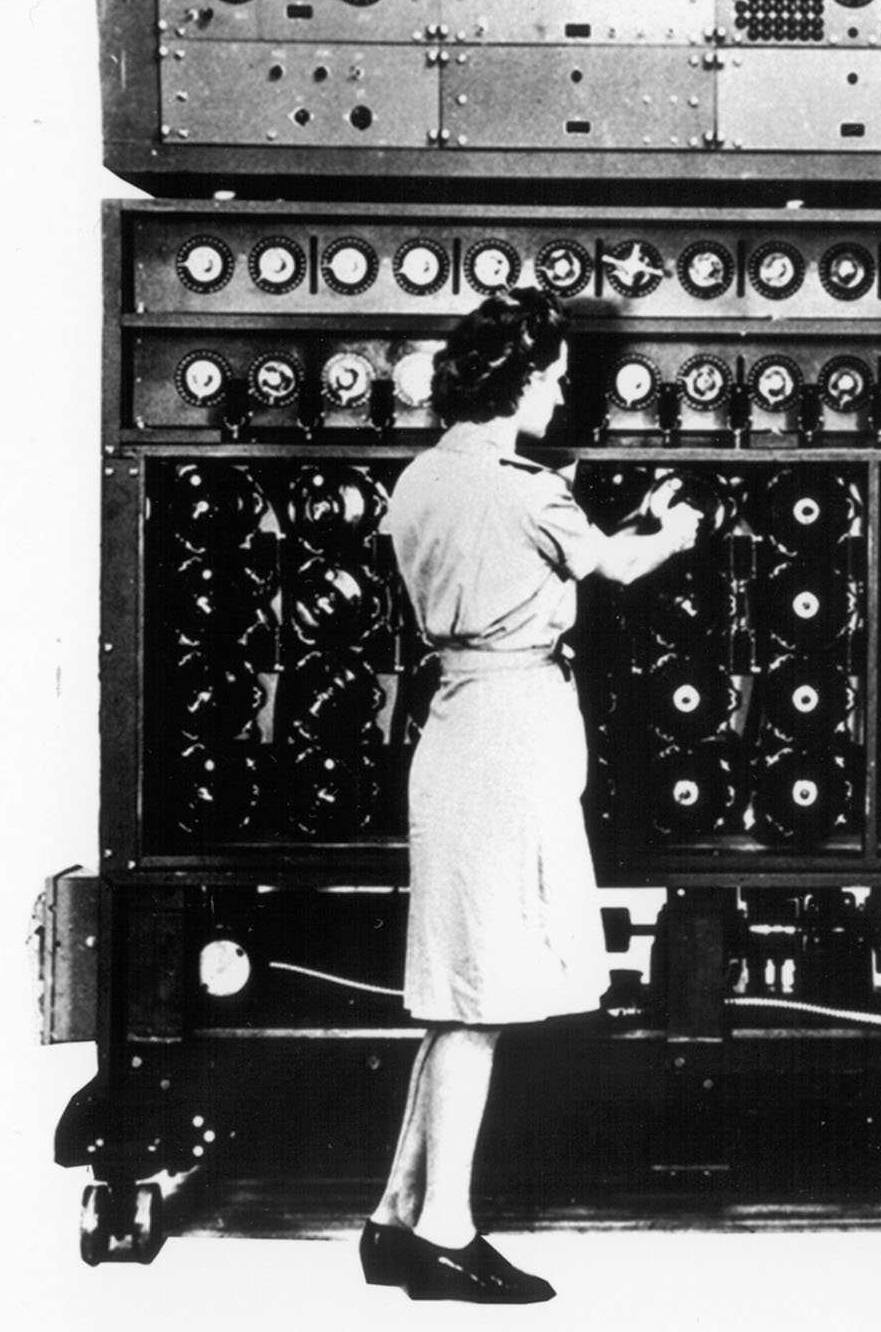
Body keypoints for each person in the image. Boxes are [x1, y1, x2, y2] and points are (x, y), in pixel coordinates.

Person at [358, 289, 702, 1302]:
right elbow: (622, 566)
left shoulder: (422, 478)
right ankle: (447, 1237)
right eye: (553, 378)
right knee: (480, 1000)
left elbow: (508, 559)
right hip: (512, 732)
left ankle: (392, 1220)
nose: (560, 394)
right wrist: (676, 528)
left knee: (455, 991)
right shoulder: (527, 488)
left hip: (455, 722)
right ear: (521, 381)